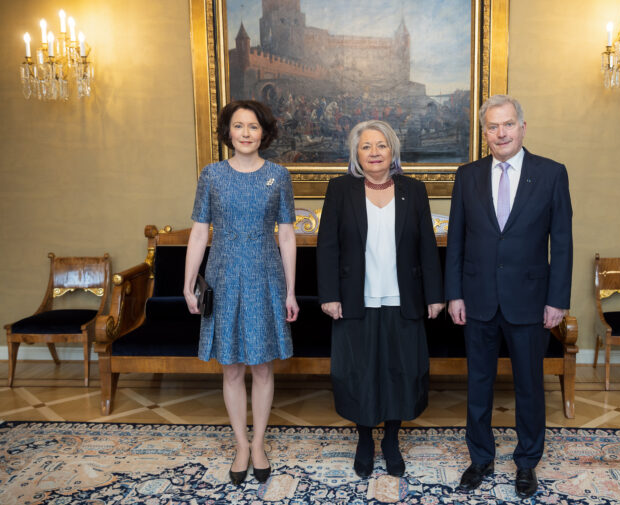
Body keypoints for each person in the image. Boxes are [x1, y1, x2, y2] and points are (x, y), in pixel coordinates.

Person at [445, 95, 573, 498]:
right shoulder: (467, 175)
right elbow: (457, 241)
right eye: (492, 127)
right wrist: (454, 295)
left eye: (507, 124)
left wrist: (557, 300)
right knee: (478, 384)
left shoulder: (551, 174)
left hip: (531, 300)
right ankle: (480, 458)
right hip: (477, 297)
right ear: (484, 133)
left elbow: (563, 242)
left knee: (529, 387)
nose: (500, 133)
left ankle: (527, 462)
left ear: (522, 127)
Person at [317, 120, 444, 478]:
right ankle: (363, 439)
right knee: (358, 372)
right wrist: (329, 294)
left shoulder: (414, 190)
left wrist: (434, 296)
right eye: (366, 146)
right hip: (355, 298)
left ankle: (390, 439)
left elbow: (426, 248)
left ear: (393, 151)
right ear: (356, 154)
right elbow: (327, 245)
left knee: (400, 371)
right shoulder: (340, 189)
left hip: (404, 298)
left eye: (381, 145)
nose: (374, 152)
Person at [183, 100, 299, 486]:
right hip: (224, 275)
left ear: (264, 132)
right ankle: (240, 445)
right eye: (239, 126)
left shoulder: (279, 176)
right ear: (228, 132)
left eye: (253, 126)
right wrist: (189, 283)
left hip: (266, 275)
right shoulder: (211, 175)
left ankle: (260, 443)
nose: (246, 133)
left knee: (263, 365)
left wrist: (291, 291)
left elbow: (286, 235)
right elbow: (200, 232)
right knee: (231, 367)